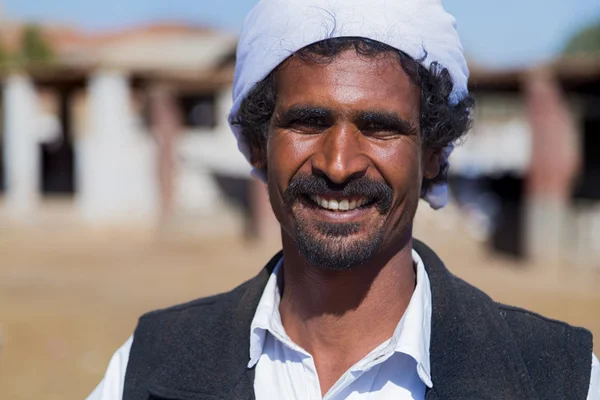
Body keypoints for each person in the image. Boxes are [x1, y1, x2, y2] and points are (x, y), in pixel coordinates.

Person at [88, 0, 599, 399]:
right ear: (255, 145)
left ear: (434, 156)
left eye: (379, 128)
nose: (338, 164)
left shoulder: (558, 379)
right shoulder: (150, 367)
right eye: (308, 122)